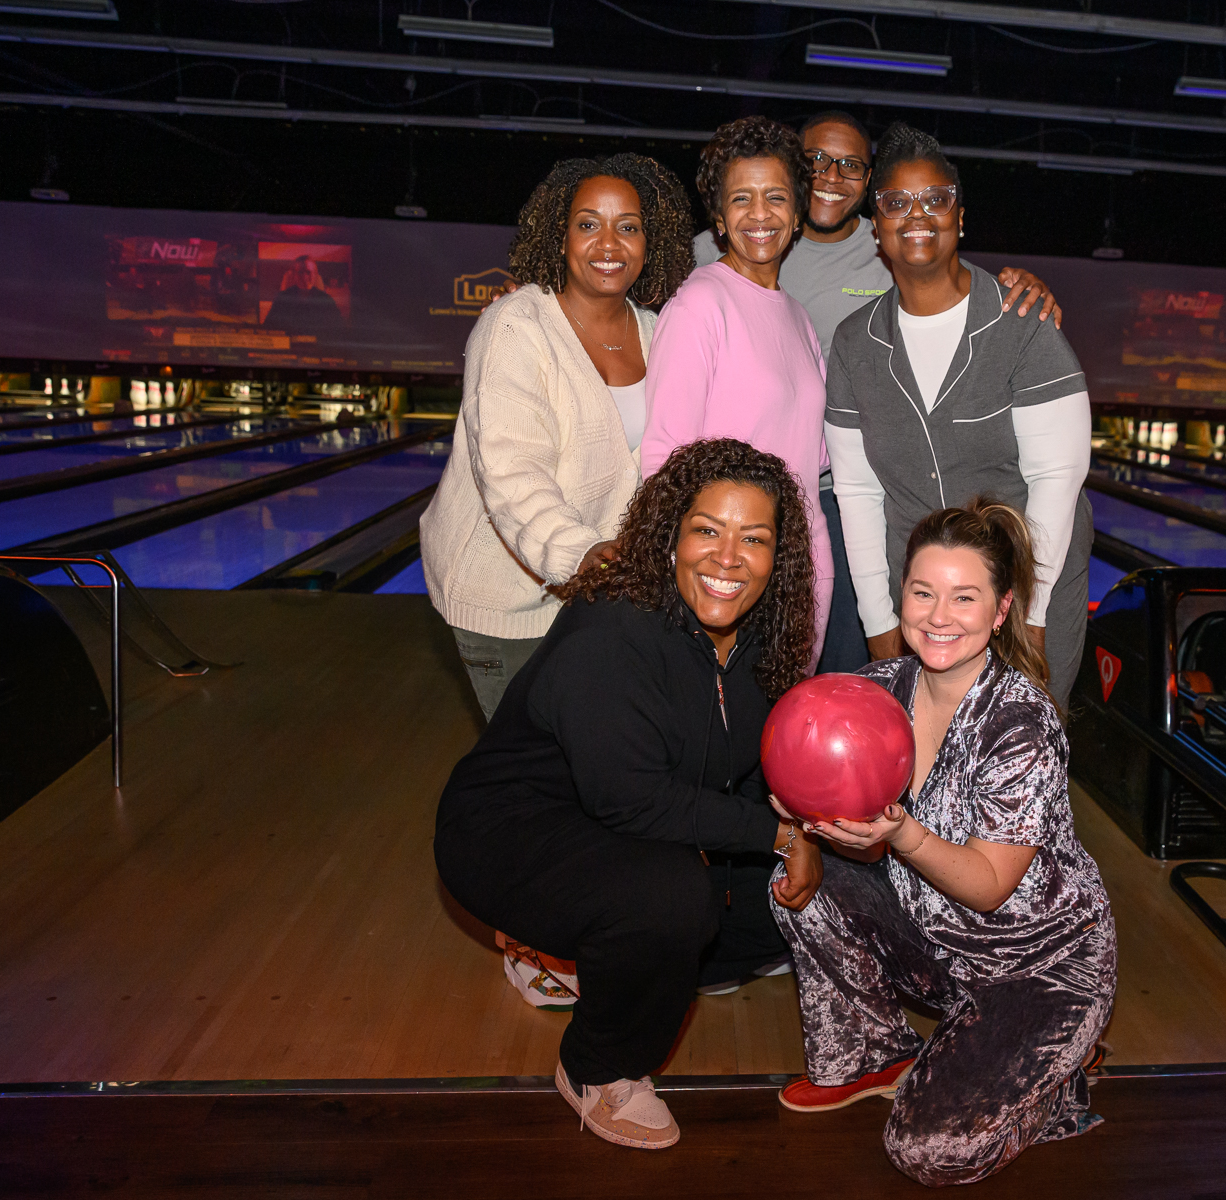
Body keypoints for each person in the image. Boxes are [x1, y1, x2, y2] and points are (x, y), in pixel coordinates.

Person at [434, 438, 827, 1152]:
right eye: (708, 530)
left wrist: (821, 825)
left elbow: (753, 764)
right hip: (511, 832)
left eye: (755, 539)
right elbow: (635, 802)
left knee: (797, 908)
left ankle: (598, 953)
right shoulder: (613, 630)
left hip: (623, 821)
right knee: (673, 901)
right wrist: (782, 839)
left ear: (781, 556)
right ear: (670, 534)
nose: (728, 558)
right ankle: (597, 1067)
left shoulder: (756, 634)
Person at [769, 499, 1115, 1187]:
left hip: (1036, 967)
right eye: (923, 592)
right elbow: (859, 848)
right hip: (937, 941)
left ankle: (1058, 1061)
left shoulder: (1021, 723)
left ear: (999, 610)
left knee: (928, 1151)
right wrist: (804, 830)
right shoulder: (875, 691)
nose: (937, 615)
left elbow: (988, 886)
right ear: (901, 595)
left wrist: (901, 832)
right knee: (799, 895)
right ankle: (876, 1055)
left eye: (965, 597)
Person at [692, 110, 1064, 674]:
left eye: (850, 166)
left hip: (840, 498)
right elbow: (632, 296)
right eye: (815, 161)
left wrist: (1020, 285)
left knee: (833, 667)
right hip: (743, 501)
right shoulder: (731, 241)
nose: (830, 176)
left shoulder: (885, 242)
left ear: (869, 186)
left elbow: (943, 271)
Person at [824, 122, 1095, 706]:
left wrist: (1033, 610)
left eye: (936, 199)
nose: (917, 214)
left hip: (1023, 589)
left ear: (960, 215)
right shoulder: (853, 344)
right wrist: (879, 622)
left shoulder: (1023, 324)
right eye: (896, 202)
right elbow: (858, 492)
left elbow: (1057, 480)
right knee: (921, 763)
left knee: (1018, 760)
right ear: (876, 227)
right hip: (924, 601)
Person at [420, 153, 692, 720]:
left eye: (629, 226)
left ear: (652, 239)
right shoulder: (516, 327)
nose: (609, 243)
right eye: (588, 224)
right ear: (559, 234)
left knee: (588, 771)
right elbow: (511, 472)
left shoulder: (658, 331)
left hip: (602, 599)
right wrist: (581, 553)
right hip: (508, 602)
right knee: (529, 779)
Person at [642, 116, 834, 662]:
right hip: (729, 568)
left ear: (797, 215)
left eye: (775, 197)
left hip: (800, 566)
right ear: (720, 219)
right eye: (741, 199)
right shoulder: (701, 304)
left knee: (776, 739)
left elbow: (812, 454)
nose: (759, 215)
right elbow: (664, 457)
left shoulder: (797, 318)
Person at [262, 255, 345, 336]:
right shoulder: (282, 299)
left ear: (315, 275)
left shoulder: (326, 301)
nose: (304, 276)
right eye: (300, 272)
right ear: (294, 275)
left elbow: (338, 332)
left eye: (308, 272)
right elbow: (268, 328)